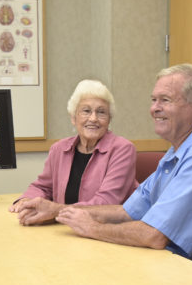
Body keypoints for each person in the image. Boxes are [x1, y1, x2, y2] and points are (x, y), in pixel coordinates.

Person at [52, 64, 192, 279]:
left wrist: (92, 228)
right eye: (153, 100)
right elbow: (127, 212)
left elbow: (153, 235)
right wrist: (59, 211)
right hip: (182, 267)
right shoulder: (178, 152)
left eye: (165, 100)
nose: (154, 108)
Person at [8, 79, 137, 225]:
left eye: (101, 112)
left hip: (106, 232)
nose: (93, 118)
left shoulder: (123, 149)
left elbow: (107, 203)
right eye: (86, 111)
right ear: (73, 118)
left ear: (109, 120)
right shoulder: (59, 149)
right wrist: (27, 200)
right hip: (66, 230)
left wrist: (56, 211)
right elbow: (43, 187)